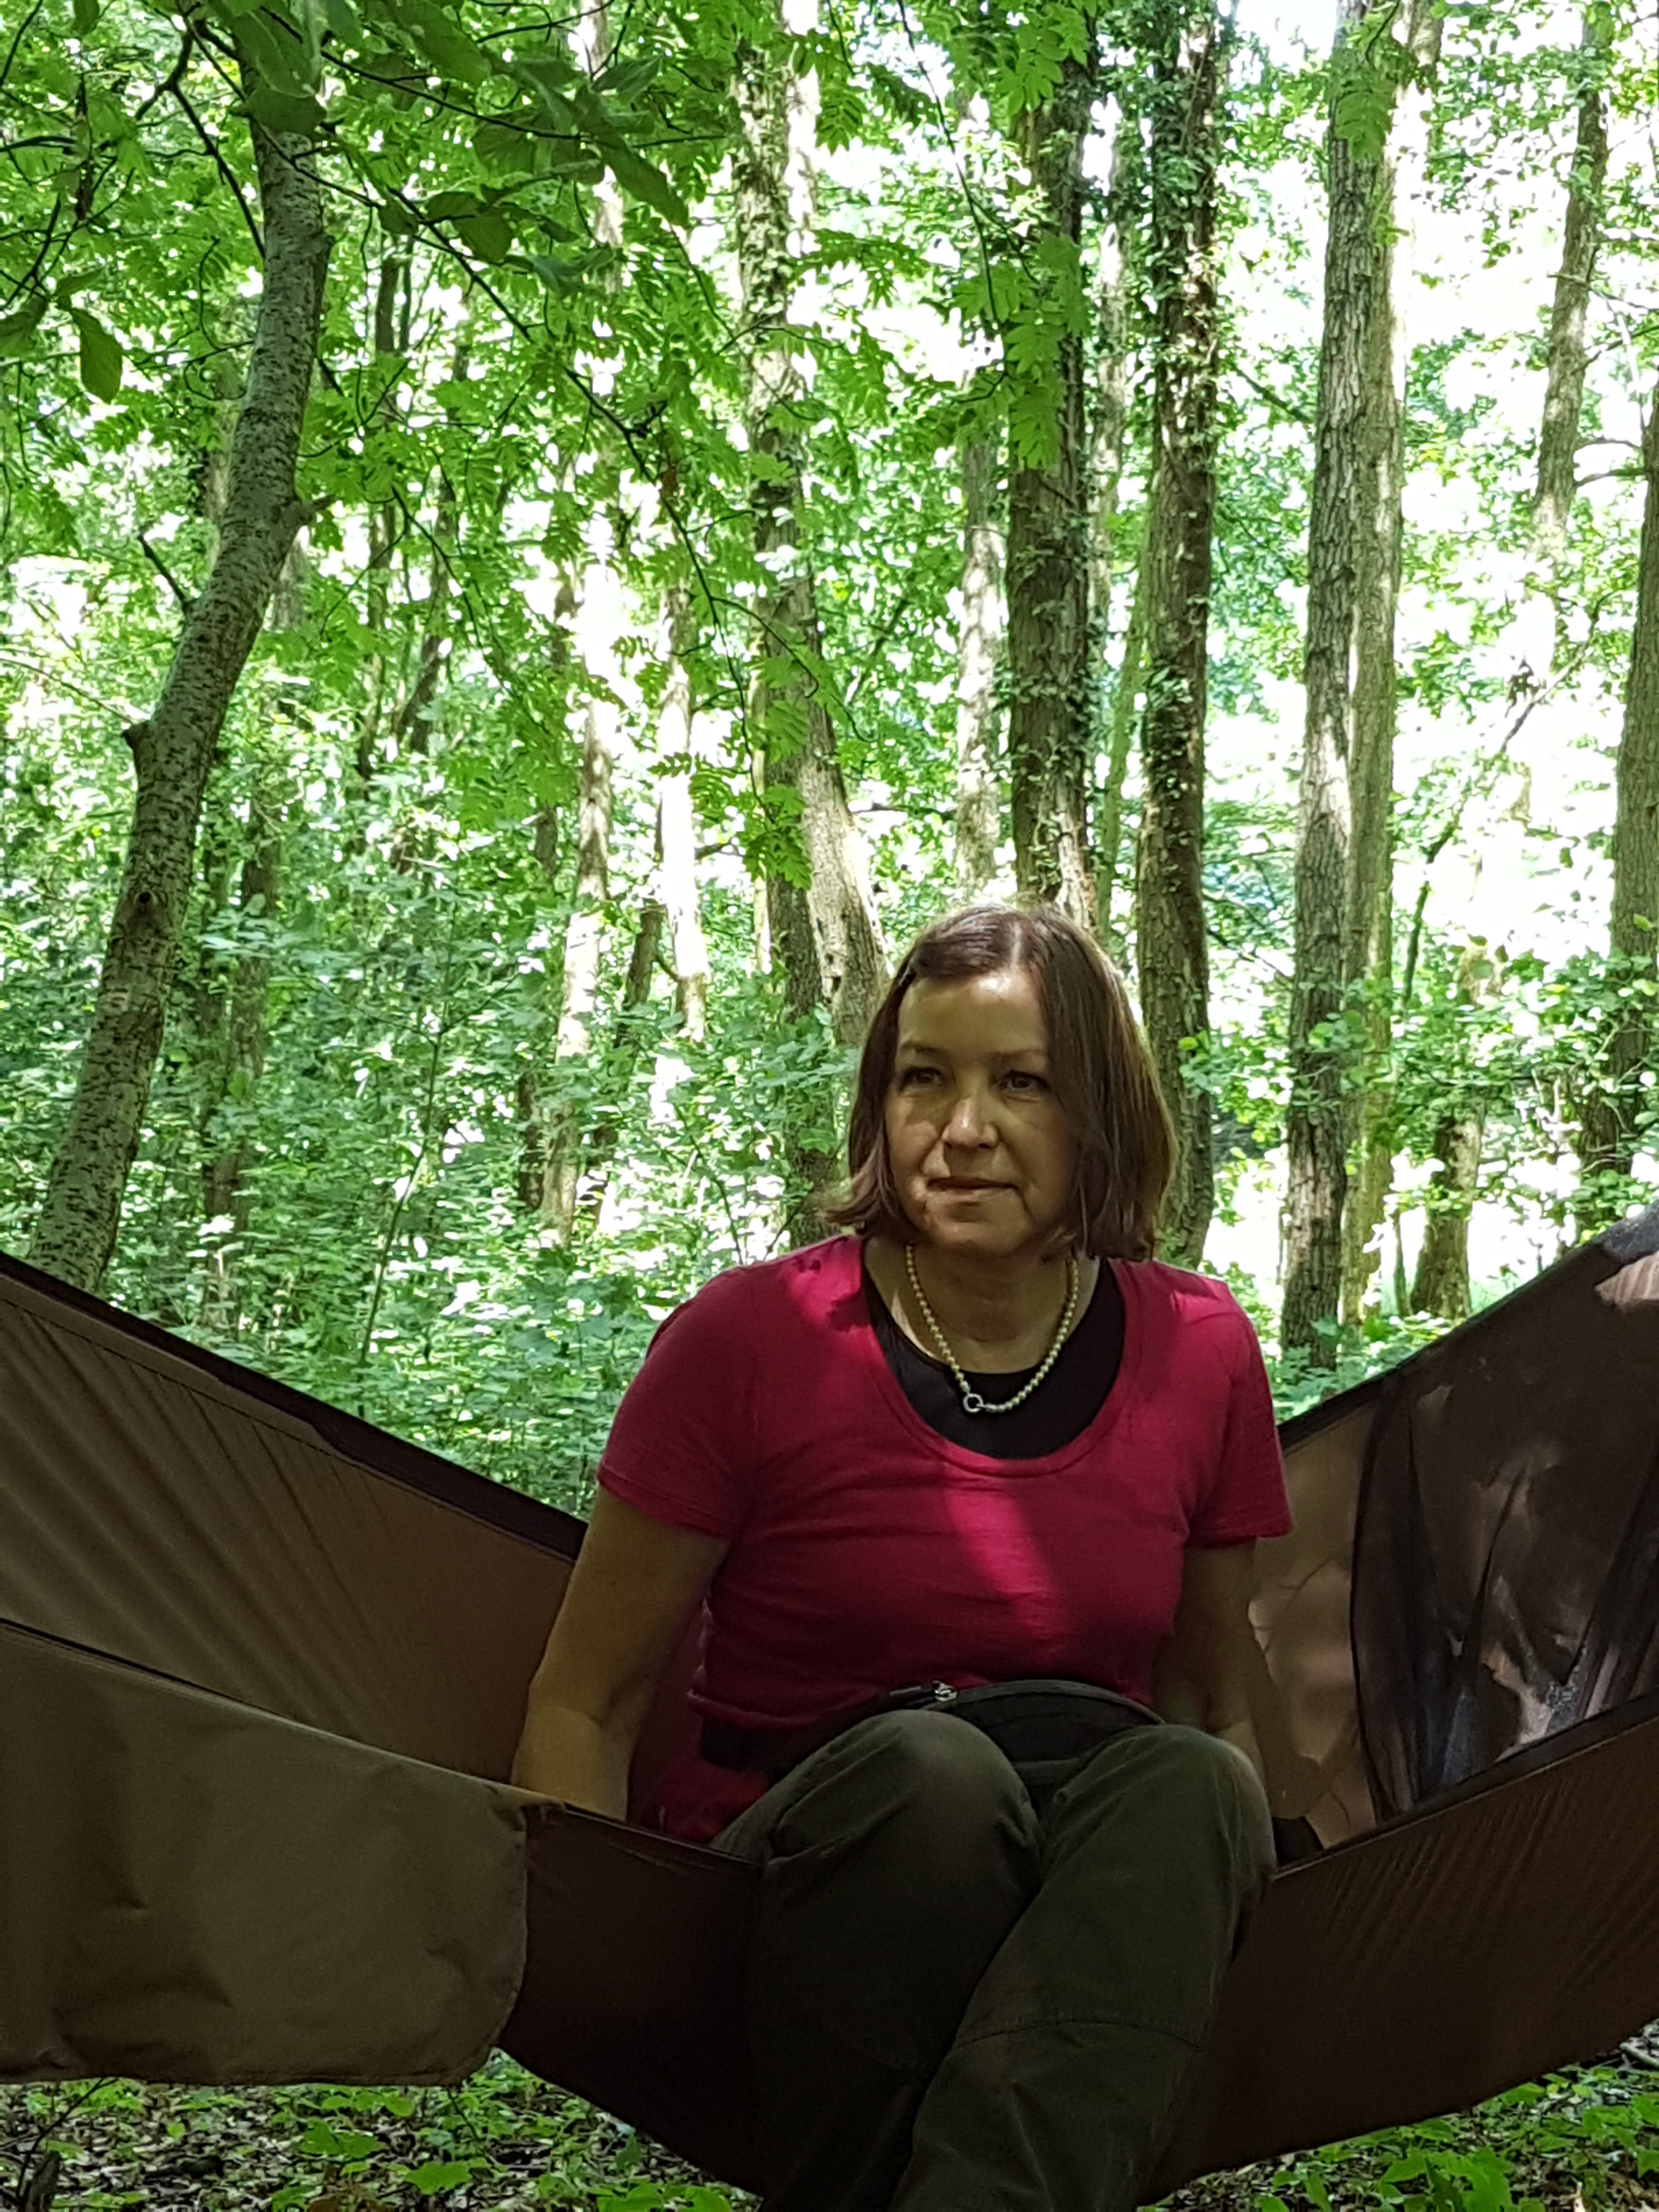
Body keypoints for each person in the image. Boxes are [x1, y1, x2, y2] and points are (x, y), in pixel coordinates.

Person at [514, 903, 1291, 2212]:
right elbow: (585, 1699)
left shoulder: (1202, 1349)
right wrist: (597, 1981)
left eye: (1021, 1083)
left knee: (1196, 1783)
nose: (962, 1128)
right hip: (793, 1884)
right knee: (935, 1776)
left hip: (1080, 1904)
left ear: (1100, 1113)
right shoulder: (751, 1340)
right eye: (924, 1078)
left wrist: (1241, 1955)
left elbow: (1211, 1703)